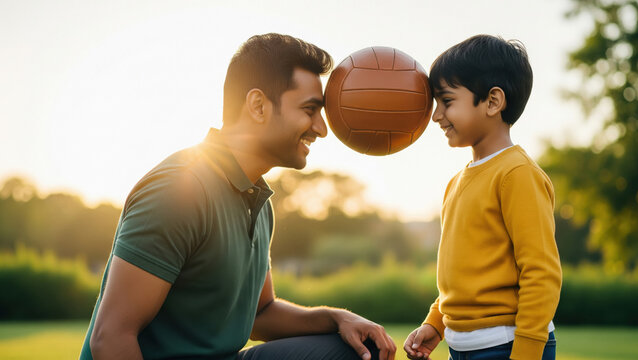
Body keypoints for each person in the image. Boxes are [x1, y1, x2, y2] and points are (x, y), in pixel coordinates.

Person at [80, 33, 396, 360]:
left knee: (359, 350)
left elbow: (261, 314)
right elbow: (111, 337)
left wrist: (336, 317)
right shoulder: (178, 190)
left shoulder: (258, 199)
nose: (321, 128)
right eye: (309, 110)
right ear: (258, 105)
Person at [403, 35, 562, 360]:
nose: (436, 115)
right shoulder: (457, 182)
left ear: (492, 101)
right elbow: (461, 278)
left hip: (506, 347)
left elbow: (540, 271)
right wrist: (435, 323)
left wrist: (527, 353)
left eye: (446, 101)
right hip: (461, 349)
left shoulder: (516, 174)